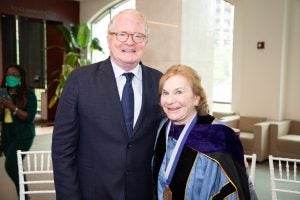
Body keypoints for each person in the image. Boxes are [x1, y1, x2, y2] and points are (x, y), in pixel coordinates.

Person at [52, 9, 163, 200]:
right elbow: (62, 149)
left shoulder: (159, 81)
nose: (130, 42)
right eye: (122, 34)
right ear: (109, 38)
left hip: (142, 193)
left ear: (146, 42)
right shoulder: (80, 80)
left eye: (138, 36)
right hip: (92, 192)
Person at [152, 64, 250, 200]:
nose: (169, 100)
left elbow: (229, 192)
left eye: (179, 92)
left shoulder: (218, 136)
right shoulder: (163, 128)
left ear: (196, 98)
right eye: (165, 93)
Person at [0, 64, 37, 199]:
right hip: (7, 135)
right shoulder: (3, 93)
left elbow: (29, 117)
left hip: (23, 136)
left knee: (10, 166)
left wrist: (12, 107)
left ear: (21, 78)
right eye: (8, 74)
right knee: (17, 167)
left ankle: (25, 195)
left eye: (14, 75)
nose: (10, 77)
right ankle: (24, 196)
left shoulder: (28, 94)